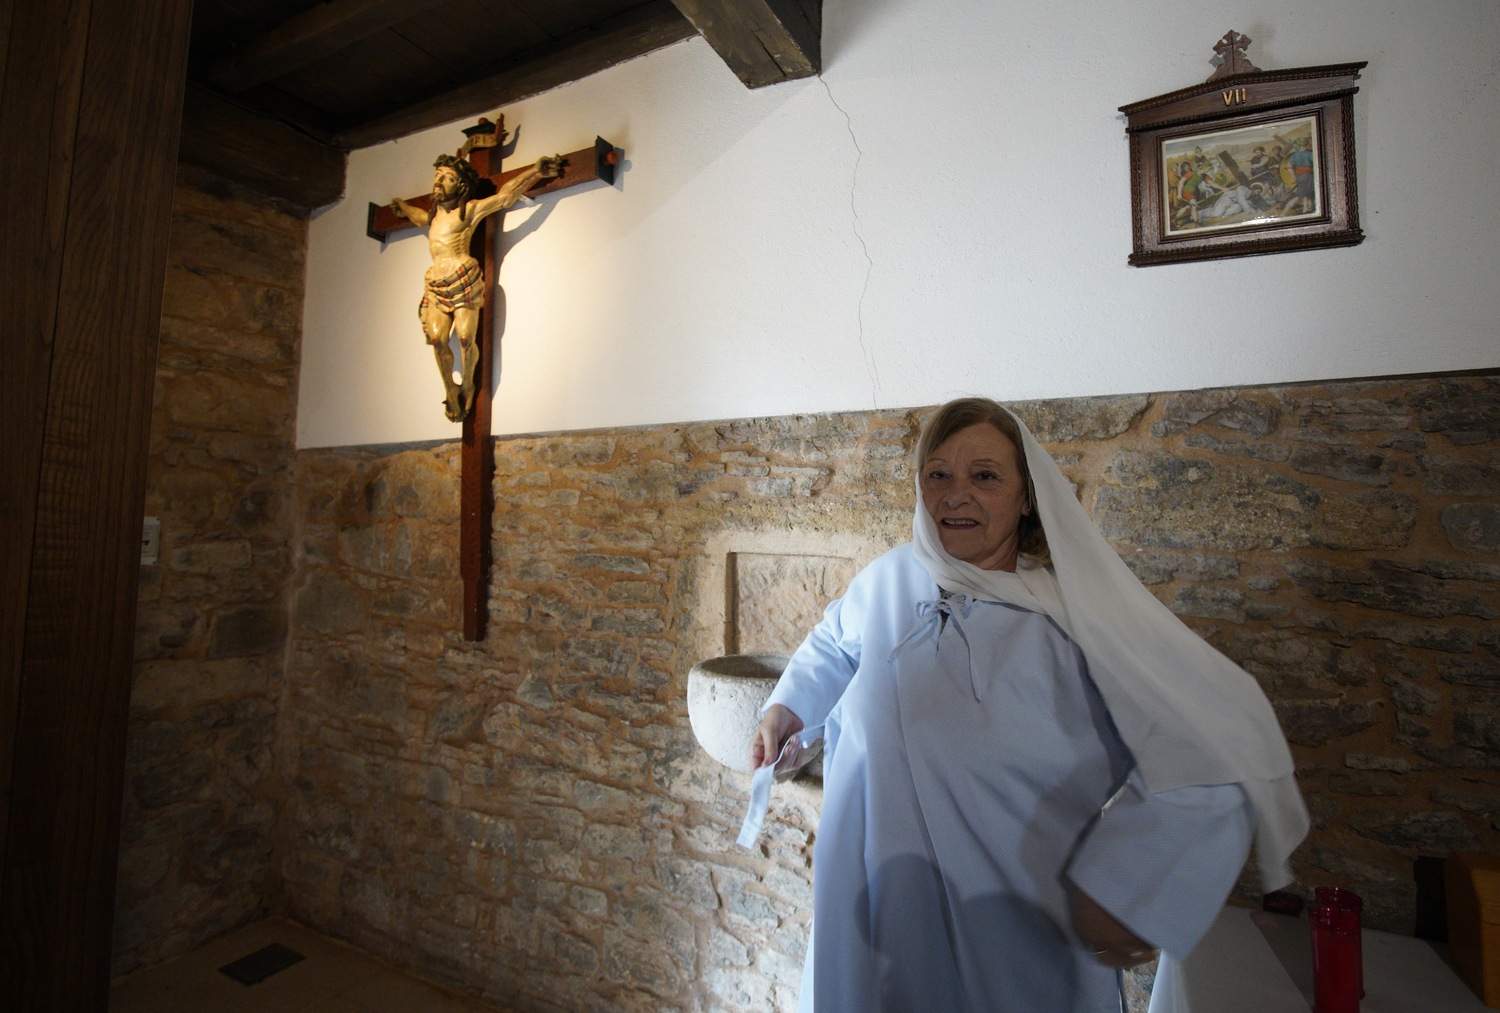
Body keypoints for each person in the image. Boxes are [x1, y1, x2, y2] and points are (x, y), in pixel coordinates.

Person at [746, 397, 1307, 1012]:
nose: (956, 495)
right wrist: (790, 705)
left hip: (1013, 940)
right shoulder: (888, 579)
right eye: (939, 475)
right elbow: (834, 639)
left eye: (984, 476)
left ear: (1026, 497)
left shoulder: (1076, 621)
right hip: (869, 914)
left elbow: (1218, 738)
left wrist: (1125, 887)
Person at [390, 152, 562, 421]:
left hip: (462, 277)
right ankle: (450, 388)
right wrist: (402, 205)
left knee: (465, 338)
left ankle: (468, 383)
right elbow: (416, 217)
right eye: (437, 176)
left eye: (446, 178)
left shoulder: (469, 211)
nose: (439, 182)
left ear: (460, 185)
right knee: (437, 339)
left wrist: (535, 172)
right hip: (435, 281)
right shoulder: (433, 216)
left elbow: (504, 197)